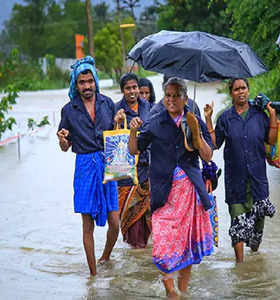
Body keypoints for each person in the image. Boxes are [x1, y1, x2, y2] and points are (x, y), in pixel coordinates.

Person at [128, 77, 214, 298]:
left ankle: (182, 291)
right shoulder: (155, 121)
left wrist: (196, 133)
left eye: (176, 95)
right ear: (163, 97)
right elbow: (134, 150)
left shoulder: (192, 118)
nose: (172, 99)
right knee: (163, 245)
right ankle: (170, 291)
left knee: (186, 246)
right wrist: (133, 131)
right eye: (168, 95)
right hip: (163, 194)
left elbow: (207, 155)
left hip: (190, 191)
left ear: (185, 98)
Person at [57, 56, 124, 276]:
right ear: (76, 85)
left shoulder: (108, 103)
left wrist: (117, 122)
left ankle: (105, 255)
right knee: (88, 225)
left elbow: (115, 137)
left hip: (106, 163)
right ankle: (93, 274)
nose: (87, 86)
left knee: (115, 222)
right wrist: (63, 139)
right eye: (82, 82)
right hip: (85, 166)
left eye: (90, 81)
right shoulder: (68, 110)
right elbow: (65, 147)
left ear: (95, 81)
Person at [204, 78, 277, 263]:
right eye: (236, 89)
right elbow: (214, 144)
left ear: (249, 90)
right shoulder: (225, 118)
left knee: (256, 233)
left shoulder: (260, 115)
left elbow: (272, 140)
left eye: (243, 88)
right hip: (235, 182)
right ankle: (240, 266)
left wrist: (272, 114)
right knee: (238, 226)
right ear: (231, 93)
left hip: (258, 182)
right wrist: (208, 119)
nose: (241, 92)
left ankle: (254, 253)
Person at [115, 73, 152, 249]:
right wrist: (117, 123)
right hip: (126, 174)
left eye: (135, 87)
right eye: (128, 88)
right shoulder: (117, 110)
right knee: (132, 225)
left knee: (149, 221)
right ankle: (134, 256)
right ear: (122, 90)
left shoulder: (149, 108)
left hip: (147, 170)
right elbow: (110, 142)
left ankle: (145, 261)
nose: (132, 91)